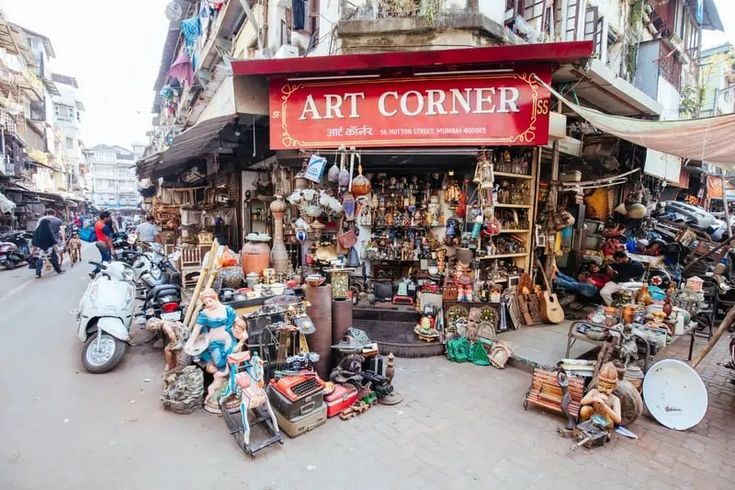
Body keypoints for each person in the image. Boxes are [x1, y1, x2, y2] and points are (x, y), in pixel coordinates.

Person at [31, 213, 64, 278]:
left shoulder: (36, 231)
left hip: (40, 249)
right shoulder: (49, 231)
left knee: (39, 261)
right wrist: (56, 249)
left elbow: (34, 241)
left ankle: (38, 274)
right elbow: (53, 240)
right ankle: (58, 270)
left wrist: (33, 250)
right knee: (54, 259)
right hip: (49, 249)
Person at [91, 211, 114, 279]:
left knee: (104, 258)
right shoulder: (104, 227)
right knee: (106, 259)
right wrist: (112, 249)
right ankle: (95, 272)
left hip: (99, 243)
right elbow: (108, 238)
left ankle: (97, 272)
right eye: (109, 217)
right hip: (104, 244)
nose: (110, 218)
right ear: (105, 218)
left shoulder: (97, 223)